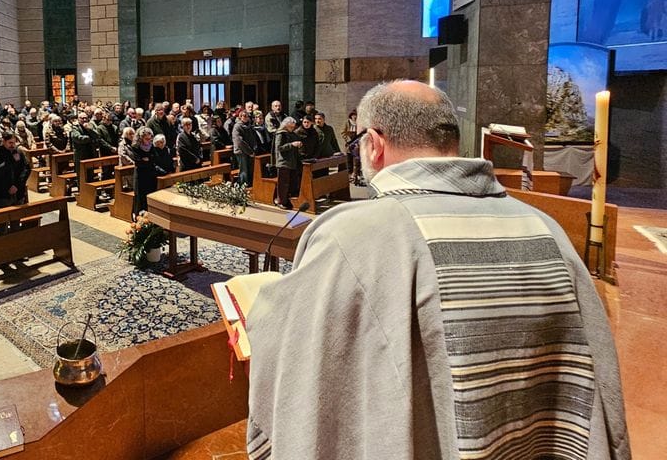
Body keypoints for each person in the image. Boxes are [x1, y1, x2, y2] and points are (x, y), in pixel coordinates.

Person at [246, 80, 630, 459]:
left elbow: (296, 346)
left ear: (374, 144)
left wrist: (259, 308)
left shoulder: (353, 234)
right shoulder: (547, 229)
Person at [0, 131, 31, 208]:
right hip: (2, 194)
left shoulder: (17, 151)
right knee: (2, 218)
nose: (13, 145)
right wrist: (9, 161)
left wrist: (17, 185)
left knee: (18, 217)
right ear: (3, 141)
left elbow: (26, 168)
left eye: (14, 143)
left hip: (18, 192)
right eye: (10, 143)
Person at [272, 117, 302, 209]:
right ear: (286, 125)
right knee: (283, 183)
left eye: (293, 127)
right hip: (283, 161)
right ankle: (281, 201)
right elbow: (279, 148)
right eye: (291, 127)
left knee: (291, 182)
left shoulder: (291, 134)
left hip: (292, 161)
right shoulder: (281, 134)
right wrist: (292, 145)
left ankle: (288, 200)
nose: (292, 128)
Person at [131, 127, 160, 218]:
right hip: (140, 174)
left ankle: (150, 215)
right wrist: (146, 160)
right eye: (146, 139)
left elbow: (155, 158)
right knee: (140, 195)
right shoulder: (135, 147)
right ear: (141, 138)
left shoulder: (152, 146)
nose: (149, 140)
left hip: (150, 173)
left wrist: (147, 159)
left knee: (150, 193)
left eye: (150, 138)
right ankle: (139, 217)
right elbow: (138, 161)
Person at [232, 109, 255, 186]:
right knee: (243, 170)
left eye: (247, 116)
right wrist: (249, 151)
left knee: (249, 169)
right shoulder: (237, 126)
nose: (245, 117)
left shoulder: (249, 126)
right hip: (241, 151)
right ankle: (243, 185)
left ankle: (249, 183)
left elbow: (252, 138)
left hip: (249, 151)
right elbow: (239, 142)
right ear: (240, 117)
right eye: (243, 116)